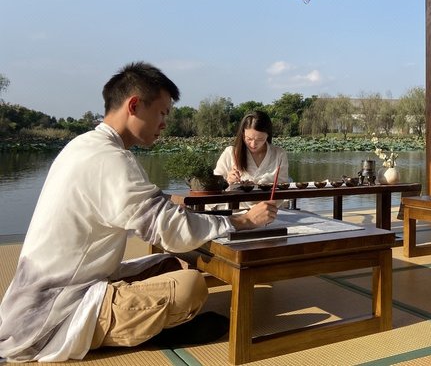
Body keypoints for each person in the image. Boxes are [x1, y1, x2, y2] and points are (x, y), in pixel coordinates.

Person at [0, 62, 278, 362]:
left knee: (174, 265)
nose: (164, 124)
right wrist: (243, 220)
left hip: (62, 285)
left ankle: (142, 322)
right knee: (191, 288)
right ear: (134, 105)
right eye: (162, 113)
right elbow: (170, 231)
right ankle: (133, 332)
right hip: (56, 308)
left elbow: (150, 208)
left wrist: (182, 206)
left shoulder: (85, 145)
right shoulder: (110, 158)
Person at [214, 111, 290, 188]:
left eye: (260, 139)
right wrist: (227, 181)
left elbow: (283, 187)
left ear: (268, 135)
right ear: (243, 134)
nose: (253, 144)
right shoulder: (230, 153)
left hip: (270, 196)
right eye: (249, 139)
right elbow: (213, 185)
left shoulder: (279, 155)